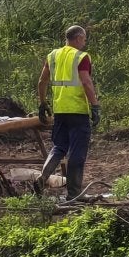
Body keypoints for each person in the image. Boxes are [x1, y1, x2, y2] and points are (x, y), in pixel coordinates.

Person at [35, 24, 100, 202]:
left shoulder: (53, 55)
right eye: (84, 39)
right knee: (77, 152)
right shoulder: (81, 57)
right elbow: (86, 82)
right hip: (78, 110)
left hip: (60, 110)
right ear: (78, 38)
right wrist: (95, 106)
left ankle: (42, 178)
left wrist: (42, 103)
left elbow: (42, 81)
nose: (85, 43)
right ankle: (74, 193)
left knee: (59, 146)